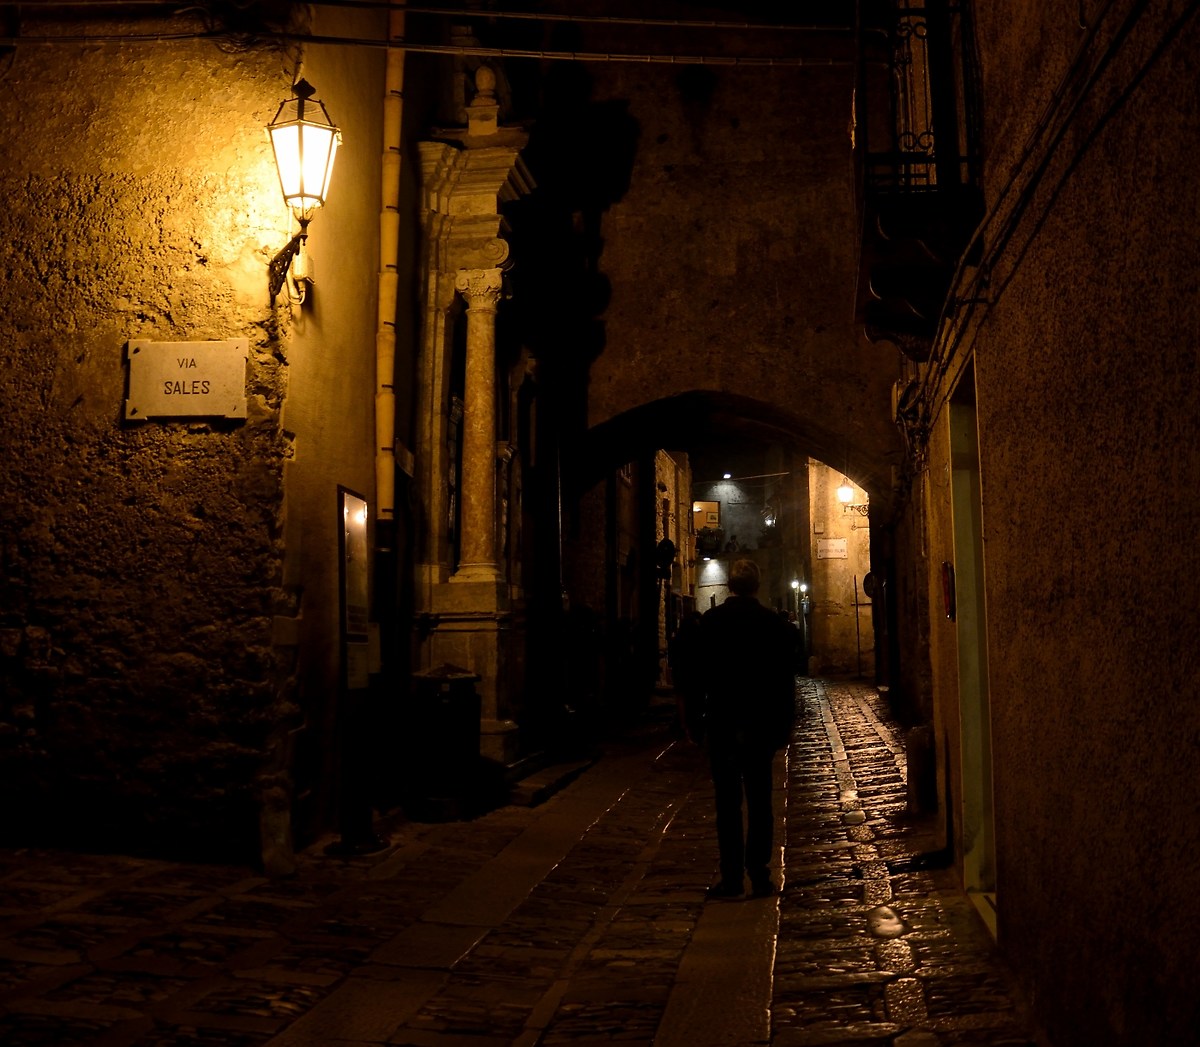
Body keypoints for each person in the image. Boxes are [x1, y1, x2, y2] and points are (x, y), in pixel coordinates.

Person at [696, 559, 797, 899]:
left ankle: (732, 878)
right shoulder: (773, 624)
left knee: (727, 805)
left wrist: (696, 722)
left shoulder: (712, 622)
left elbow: (699, 676)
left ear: (730, 586)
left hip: (723, 722)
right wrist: (784, 725)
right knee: (760, 801)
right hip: (760, 724)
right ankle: (760, 874)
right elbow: (784, 680)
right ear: (757, 586)